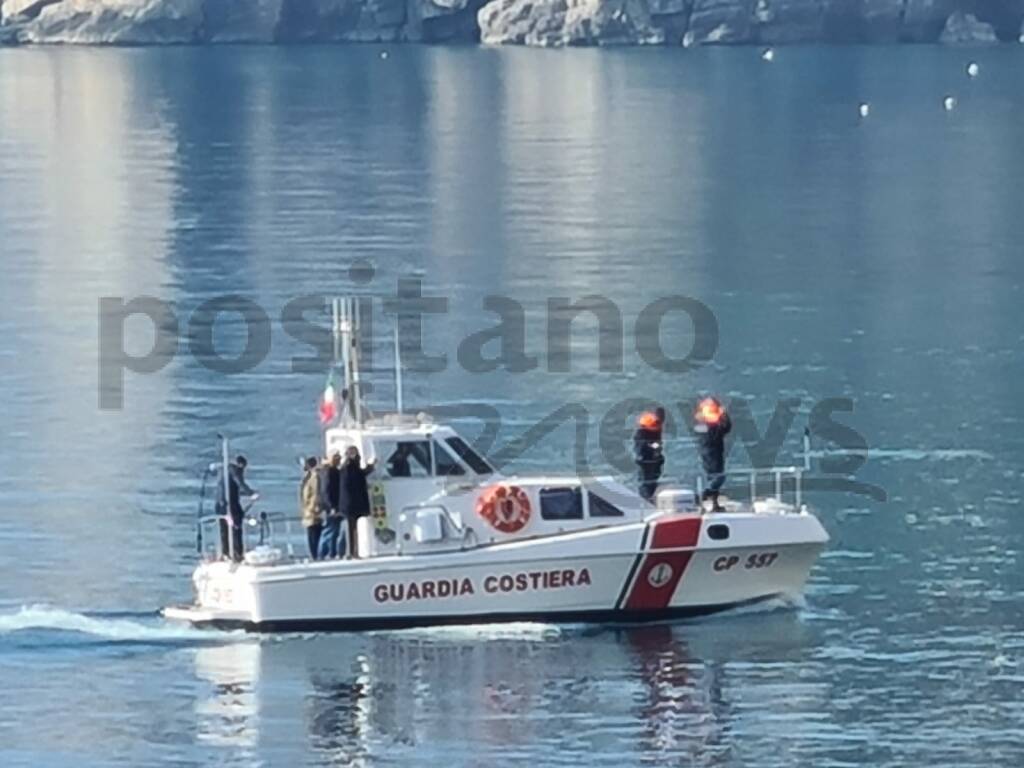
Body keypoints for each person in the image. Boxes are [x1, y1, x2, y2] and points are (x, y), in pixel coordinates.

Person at [215, 455, 258, 562]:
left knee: (224, 530)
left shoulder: (223, 471)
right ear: (241, 465)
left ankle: (225, 553)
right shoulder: (234, 471)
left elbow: (234, 487)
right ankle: (237, 553)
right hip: (230, 504)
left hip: (220, 504)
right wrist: (251, 493)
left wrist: (248, 493)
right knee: (236, 528)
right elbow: (239, 483)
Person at [694, 397, 731, 512]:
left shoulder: (701, 424)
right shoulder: (710, 425)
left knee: (712, 477)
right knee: (718, 477)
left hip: (710, 452)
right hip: (712, 453)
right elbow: (725, 428)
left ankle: (714, 504)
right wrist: (723, 415)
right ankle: (701, 496)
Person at [339, 445, 375, 559]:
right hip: (352, 503)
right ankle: (352, 552)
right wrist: (370, 467)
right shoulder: (350, 467)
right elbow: (358, 478)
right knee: (352, 529)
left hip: (349, 503)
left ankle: (352, 552)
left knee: (351, 528)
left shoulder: (346, 467)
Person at [634, 407, 666, 502]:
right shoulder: (649, 423)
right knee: (646, 480)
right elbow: (647, 442)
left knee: (654, 477)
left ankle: (649, 495)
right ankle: (646, 498)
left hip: (654, 457)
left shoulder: (657, 425)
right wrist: (656, 446)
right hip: (645, 458)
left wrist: (657, 449)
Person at [317, 452, 344, 559]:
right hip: (331, 507)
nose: (338, 459)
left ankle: (331, 553)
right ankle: (323, 554)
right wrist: (331, 507)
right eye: (336, 457)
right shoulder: (328, 472)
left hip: (335, 505)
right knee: (329, 531)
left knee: (334, 531)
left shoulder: (330, 471)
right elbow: (326, 491)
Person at [299, 456, 323, 560]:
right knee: (311, 534)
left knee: (314, 534)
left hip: (313, 511)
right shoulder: (308, 477)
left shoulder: (314, 477)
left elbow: (315, 493)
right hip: (308, 511)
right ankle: (314, 555)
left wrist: (313, 508)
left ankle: (316, 556)